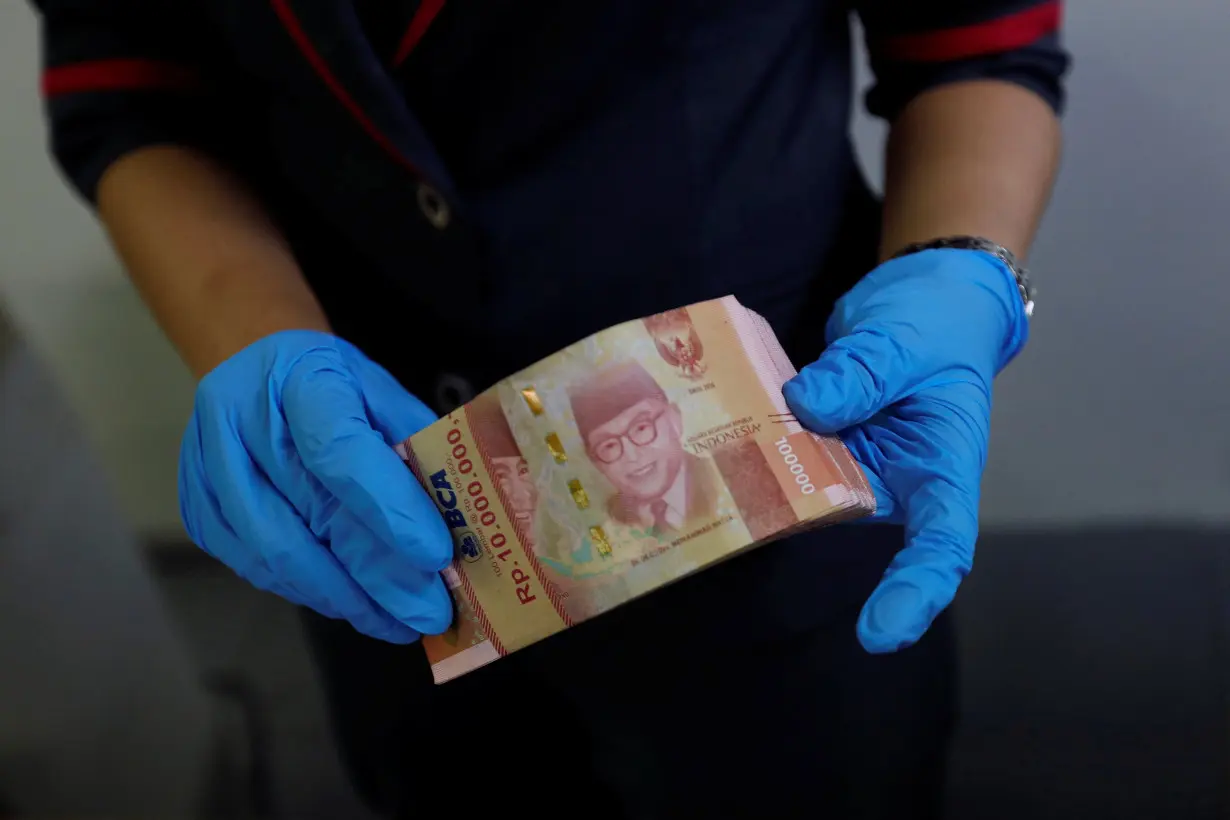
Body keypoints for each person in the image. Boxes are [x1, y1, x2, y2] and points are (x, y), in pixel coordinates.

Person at [27, 0, 1069, 816]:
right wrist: (250, 334)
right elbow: (133, 82)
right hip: (380, 497)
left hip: (782, 493)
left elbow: (970, 43)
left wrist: (961, 267)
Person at [569, 359, 719, 537]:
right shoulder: (605, 522)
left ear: (674, 420)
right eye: (608, 446)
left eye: (641, 428)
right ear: (595, 462)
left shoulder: (723, 481)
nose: (631, 456)